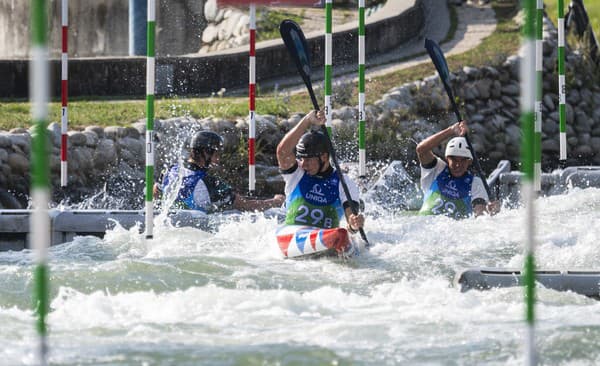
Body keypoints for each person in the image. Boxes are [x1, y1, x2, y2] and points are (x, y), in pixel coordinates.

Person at [276, 109, 364, 233]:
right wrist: (307, 120)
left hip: (324, 238)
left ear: (323, 157)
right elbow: (282, 152)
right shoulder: (297, 173)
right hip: (291, 233)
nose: (303, 164)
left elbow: (350, 219)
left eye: (308, 159)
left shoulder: (344, 183)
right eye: (301, 158)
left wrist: (354, 225)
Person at [154, 131, 284, 213]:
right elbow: (244, 205)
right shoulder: (210, 182)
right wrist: (275, 201)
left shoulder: (170, 170)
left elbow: (155, 192)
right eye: (216, 154)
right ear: (206, 152)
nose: (218, 159)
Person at [416, 120, 500, 218]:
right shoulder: (436, 169)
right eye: (454, 160)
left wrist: (489, 213)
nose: (458, 165)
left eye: (463, 161)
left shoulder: (476, 183)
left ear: (469, 162)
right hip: (424, 228)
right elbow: (421, 149)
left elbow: (479, 214)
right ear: (447, 158)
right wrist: (451, 130)